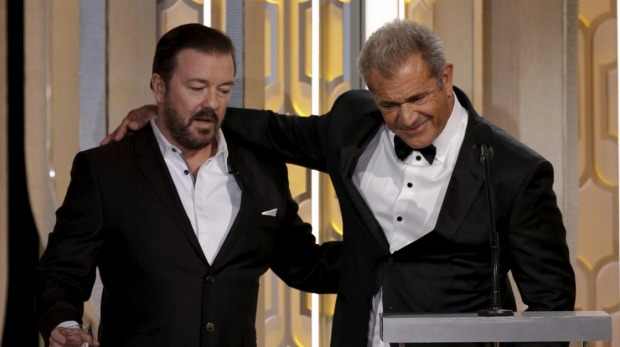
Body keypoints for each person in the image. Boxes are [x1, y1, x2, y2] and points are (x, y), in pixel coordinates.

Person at [104, 20, 576, 347]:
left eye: (418, 97)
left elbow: (550, 309)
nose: (406, 118)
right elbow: (272, 130)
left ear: (446, 77)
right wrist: (172, 115)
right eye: (389, 104)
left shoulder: (515, 171)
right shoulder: (352, 122)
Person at [35, 23, 341, 347]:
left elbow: (307, 265)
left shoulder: (262, 171)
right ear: (159, 87)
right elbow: (61, 272)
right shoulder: (105, 171)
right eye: (197, 88)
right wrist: (65, 323)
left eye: (223, 90)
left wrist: (388, 257)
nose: (212, 103)